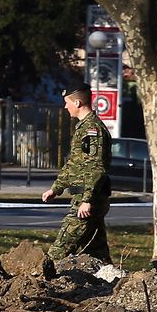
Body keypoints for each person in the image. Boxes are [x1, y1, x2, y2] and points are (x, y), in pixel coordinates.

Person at [42, 80, 113, 263]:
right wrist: (56, 189)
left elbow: (96, 167)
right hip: (87, 198)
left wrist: (87, 200)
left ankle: (39, 282)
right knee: (97, 254)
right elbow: (74, 164)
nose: (65, 107)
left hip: (88, 200)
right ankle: (112, 284)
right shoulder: (83, 128)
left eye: (67, 102)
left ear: (77, 103)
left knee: (59, 250)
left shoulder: (92, 129)